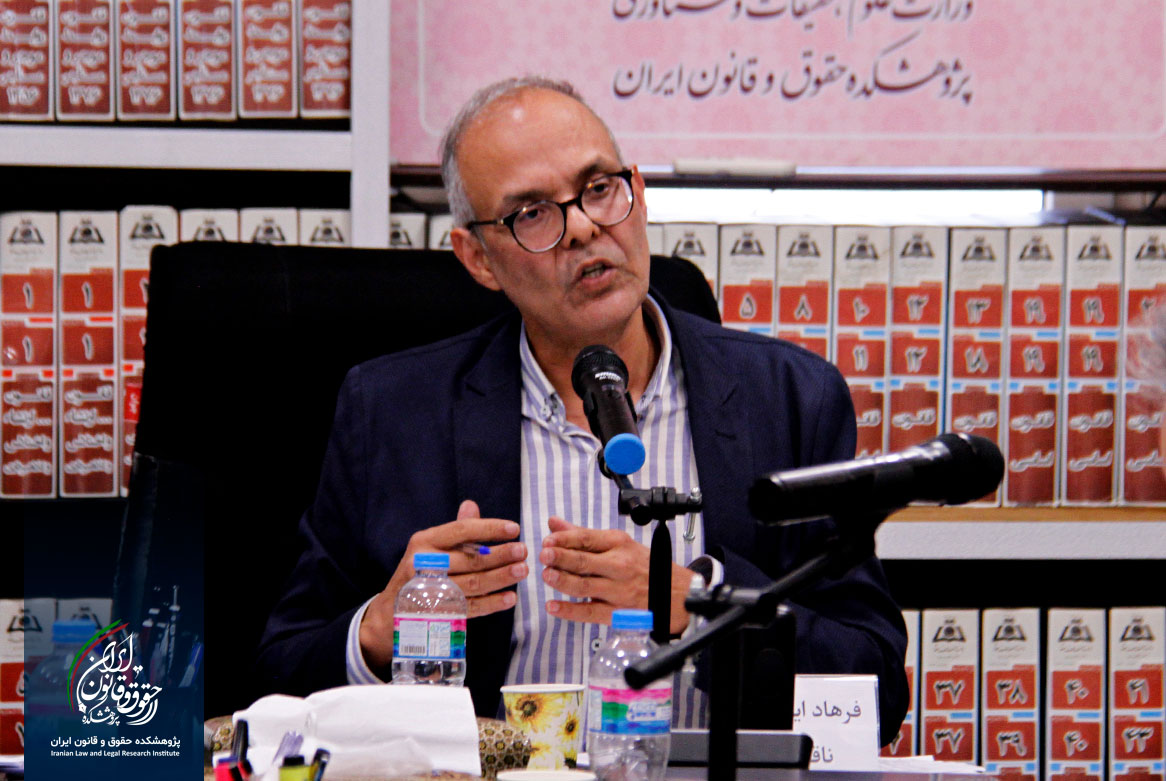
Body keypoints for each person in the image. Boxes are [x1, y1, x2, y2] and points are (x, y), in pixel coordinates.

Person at [256, 76, 908, 740]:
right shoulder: (392, 412)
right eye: (533, 212)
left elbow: (875, 685)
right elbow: (279, 675)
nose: (584, 227)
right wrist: (380, 628)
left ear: (638, 193)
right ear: (478, 258)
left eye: (598, 188)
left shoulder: (791, 399)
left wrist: (697, 604)